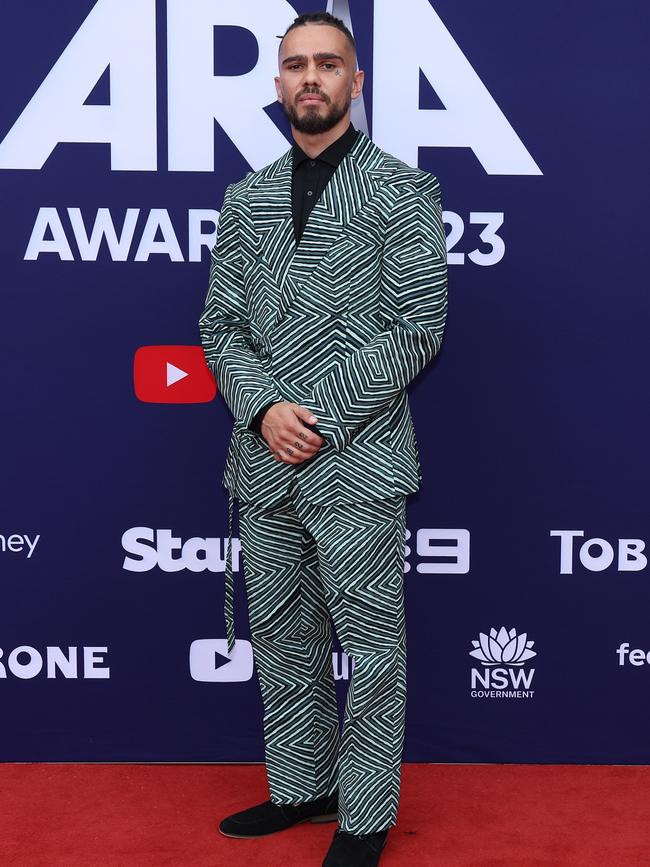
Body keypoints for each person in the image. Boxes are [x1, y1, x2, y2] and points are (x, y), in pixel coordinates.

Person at [198, 11, 448, 867]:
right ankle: (302, 785)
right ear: (277, 85)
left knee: (371, 645)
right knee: (283, 635)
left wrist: (319, 414)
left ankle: (368, 813)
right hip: (264, 460)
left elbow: (421, 326)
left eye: (329, 65)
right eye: (296, 66)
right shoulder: (245, 198)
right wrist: (267, 409)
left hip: (359, 458)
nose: (311, 78)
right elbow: (220, 326)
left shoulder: (403, 192)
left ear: (355, 81)